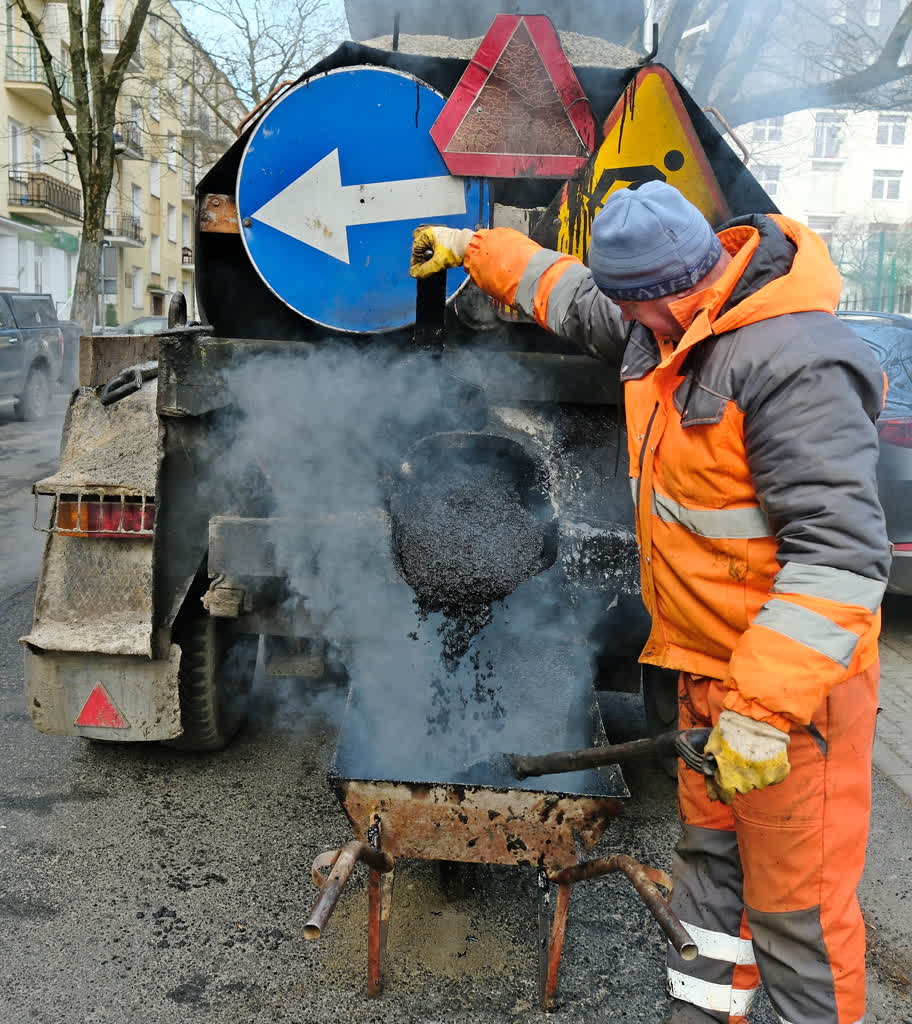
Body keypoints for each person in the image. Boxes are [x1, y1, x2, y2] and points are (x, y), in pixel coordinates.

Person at [410, 181, 889, 1024]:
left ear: (699, 276)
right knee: (709, 891)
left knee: (796, 920)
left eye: (656, 311)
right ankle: (704, 1015)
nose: (645, 331)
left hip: (790, 707)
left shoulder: (795, 363)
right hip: (707, 683)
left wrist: (763, 711)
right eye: (634, 313)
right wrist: (471, 247)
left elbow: (841, 558)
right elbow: (559, 289)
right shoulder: (652, 320)